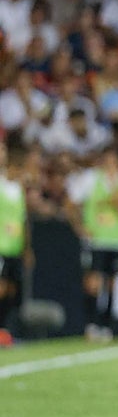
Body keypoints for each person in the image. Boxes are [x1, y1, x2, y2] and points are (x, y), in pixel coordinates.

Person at [65, 147, 118, 341]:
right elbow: (71, 203)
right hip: (96, 240)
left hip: (116, 239)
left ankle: (106, 325)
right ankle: (91, 323)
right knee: (93, 282)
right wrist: (79, 227)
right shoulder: (91, 179)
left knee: (111, 284)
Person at [0, 139, 32, 336]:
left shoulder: (19, 190)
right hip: (1, 246)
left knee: (12, 289)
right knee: (1, 287)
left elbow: (23, 219)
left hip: (15, 247)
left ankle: (4, 329)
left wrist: (27, 248)